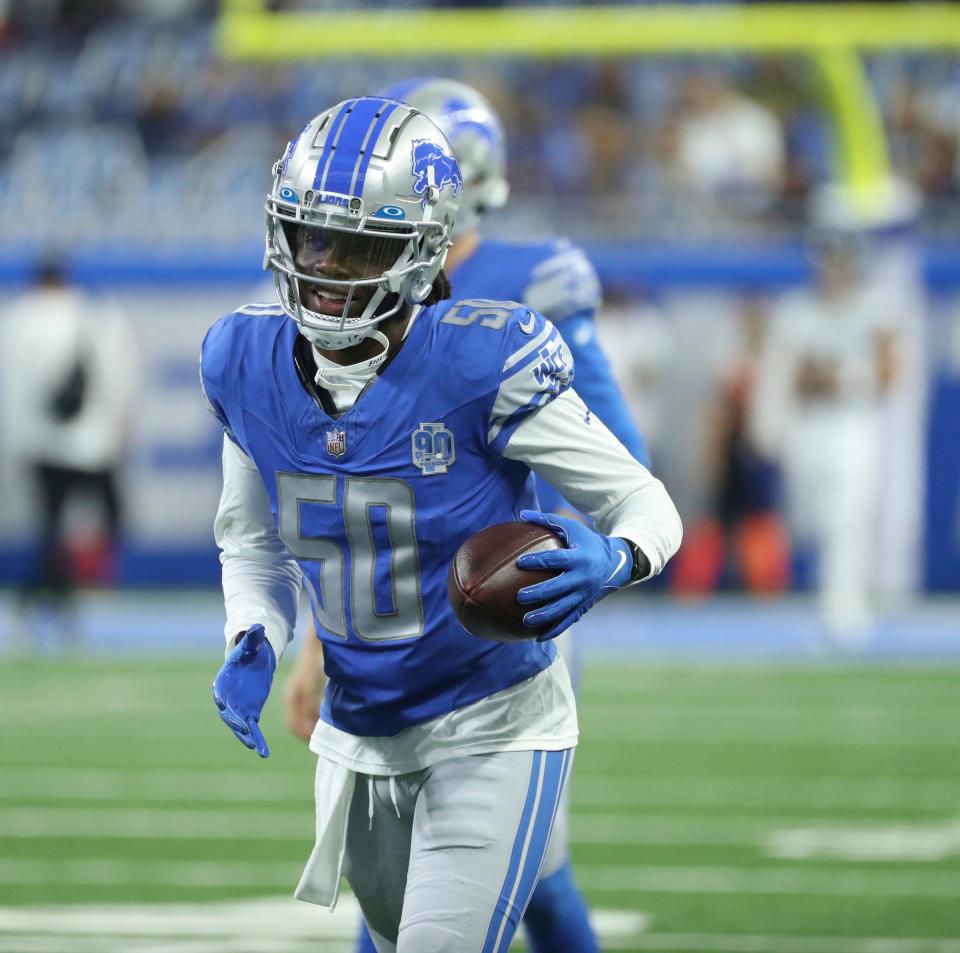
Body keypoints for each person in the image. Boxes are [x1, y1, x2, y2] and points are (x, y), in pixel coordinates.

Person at [204, 96, 682, 953]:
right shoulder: (244, 361)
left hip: (490, 720)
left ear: (418, 251)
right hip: (360, 736)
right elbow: (252, 541)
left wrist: (614, 556)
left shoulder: (480, 360)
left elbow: (645, 500)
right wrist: (257, 632)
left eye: (355, 245)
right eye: (312, 236)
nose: (325, 265)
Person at [750, 226, 902, 645]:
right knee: (810, 519)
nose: (833, 271)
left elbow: (892, 373)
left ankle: (843, 609)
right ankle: (833, 598)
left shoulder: (875, 307)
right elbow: (785, 375)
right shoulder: (797, 310)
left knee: (848, 516)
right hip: (809, 423)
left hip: (855, 421)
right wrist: (768, 428)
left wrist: (848, 378)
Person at [0, 260, 137, 637]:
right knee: (105, 516)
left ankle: (53, 601)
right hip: (88, 439)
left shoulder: (16, 318)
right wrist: (118, 428)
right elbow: (114, 375)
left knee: (50, 528)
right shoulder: (89, 313)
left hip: (38, 442)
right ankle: (63, 596)